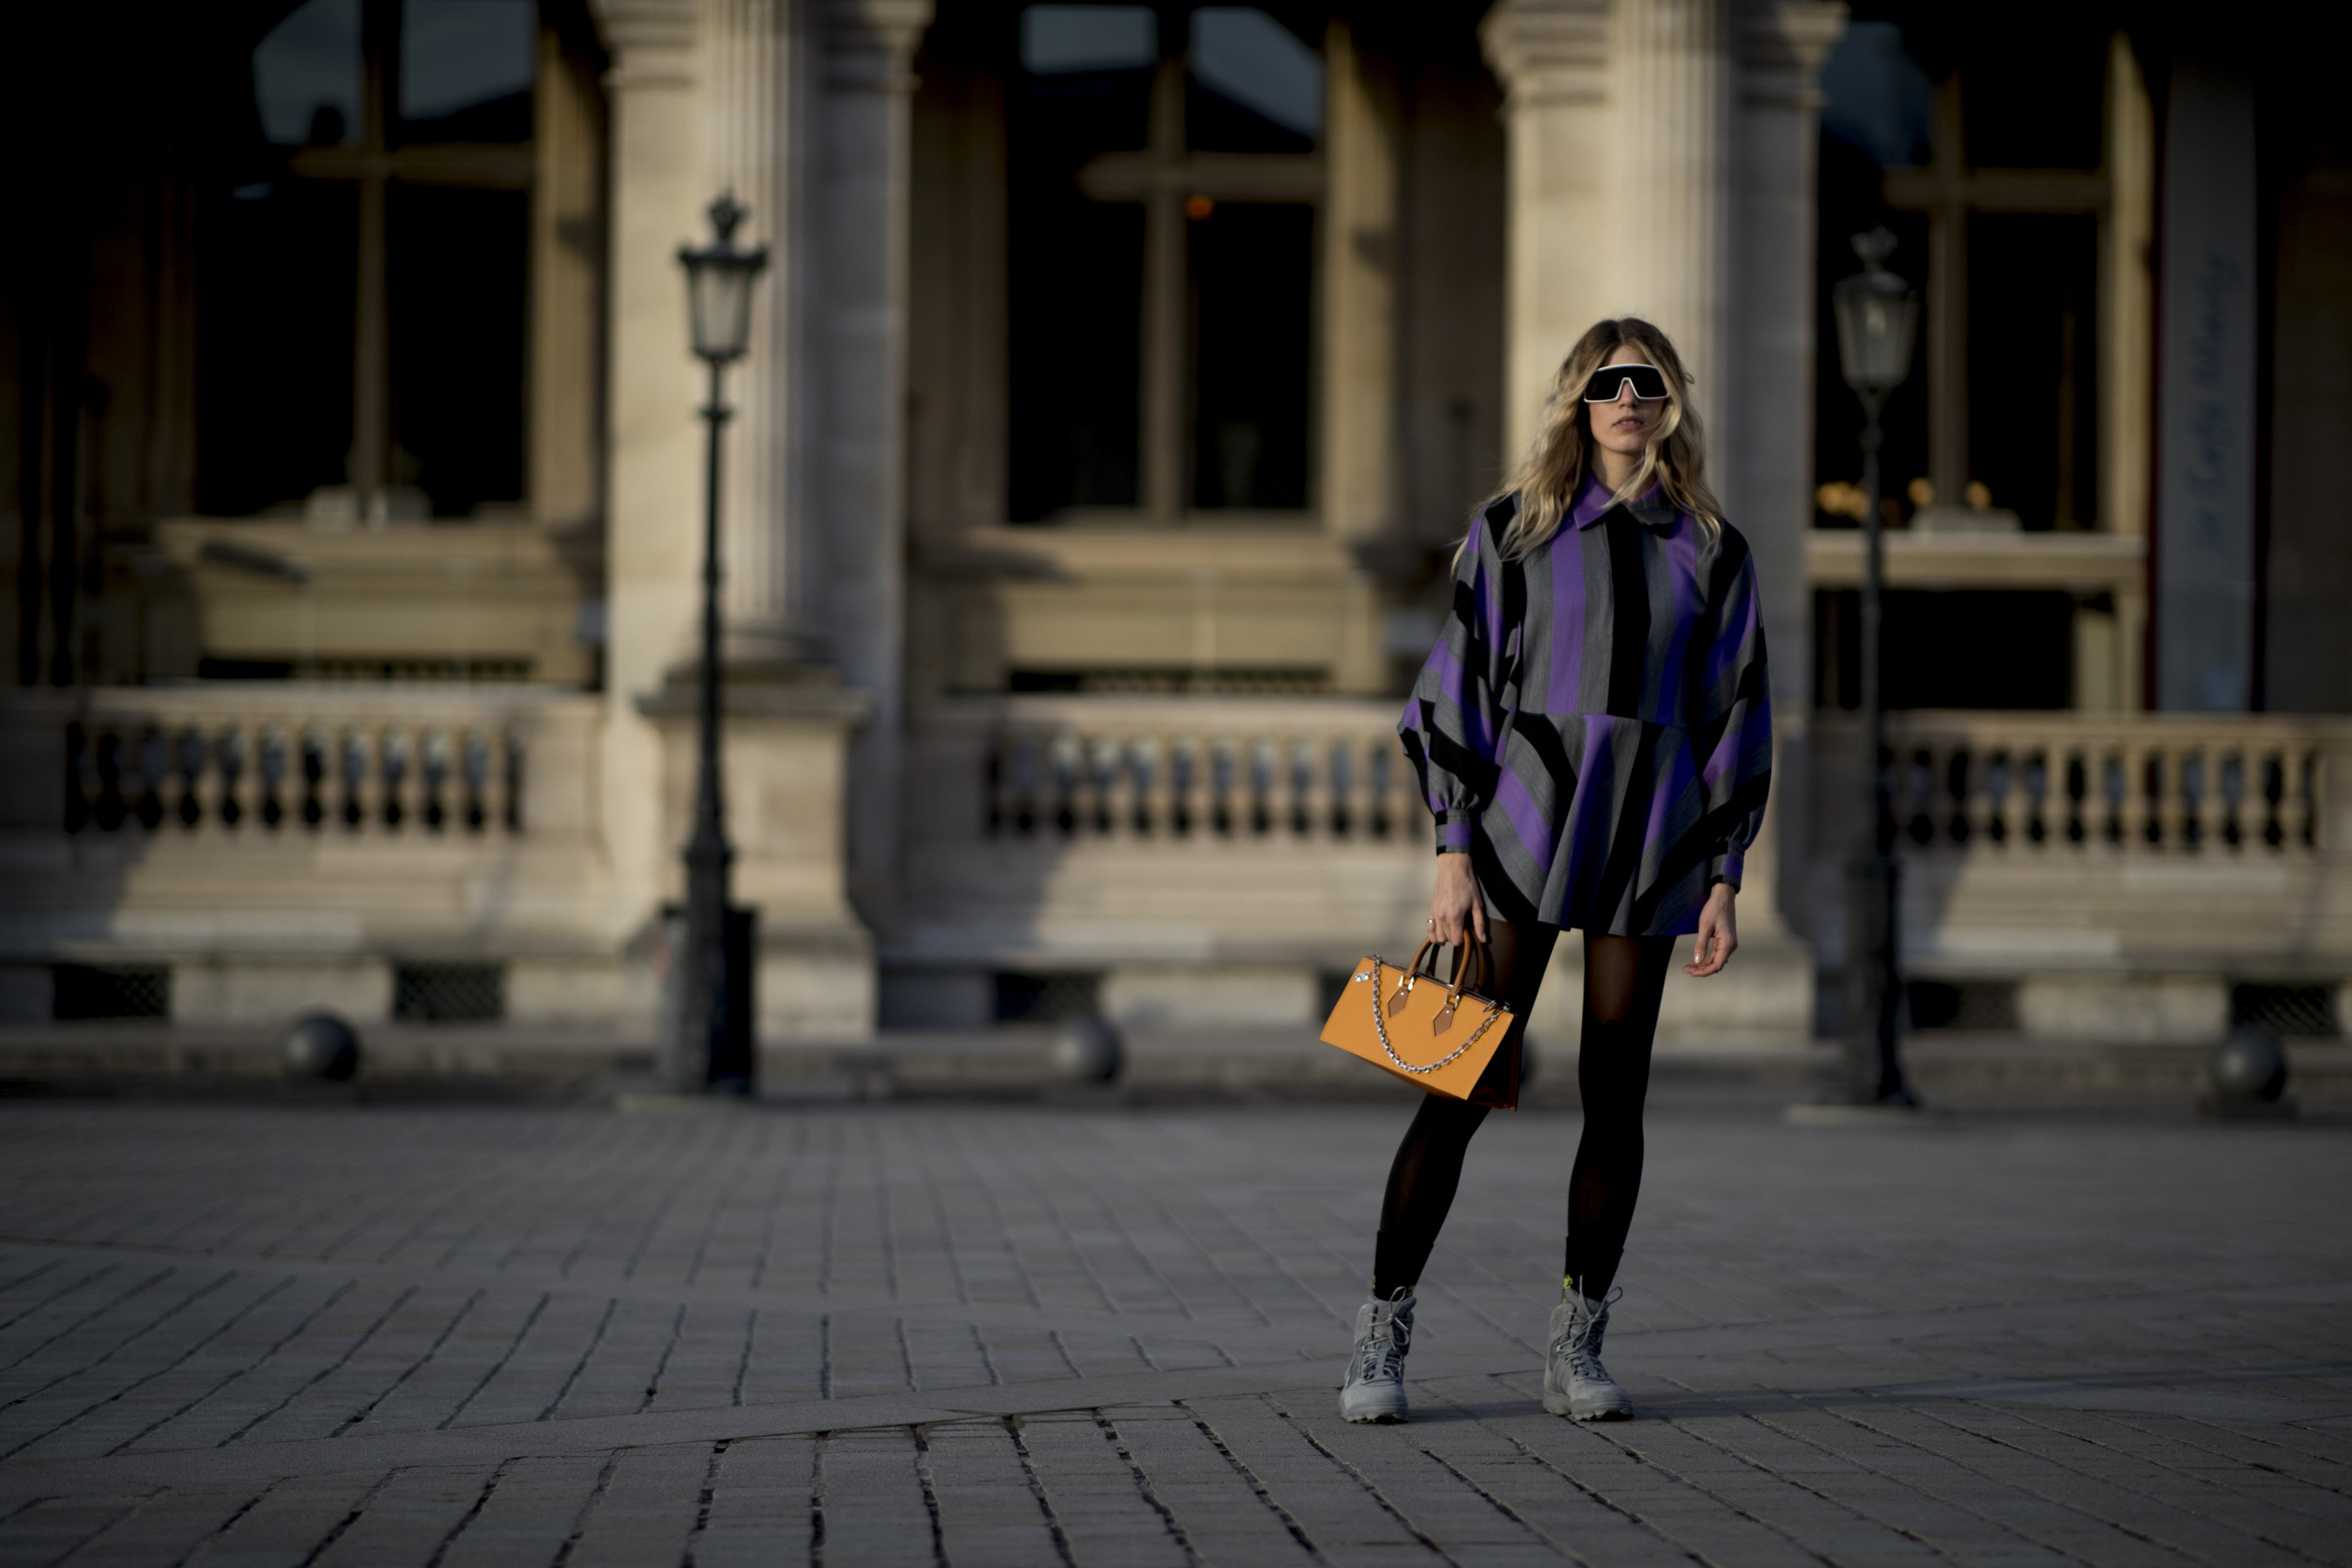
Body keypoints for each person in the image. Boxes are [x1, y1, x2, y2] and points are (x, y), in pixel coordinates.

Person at [1339, 317, 1772, 1425]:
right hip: (1522, 833)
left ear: (1673, 404)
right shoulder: (1511, 533)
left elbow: (1736, 711)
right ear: (1579, 399)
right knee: (1458, 1086)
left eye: (1652, 384)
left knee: (1615, 1100)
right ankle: (1380, 1337)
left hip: (1656, 837)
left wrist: (1725, 872)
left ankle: (1578, 1347)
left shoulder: (1716, 551)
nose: (1631, 400)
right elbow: (1457, 693)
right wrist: (1449, 853)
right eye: (1610, 383)